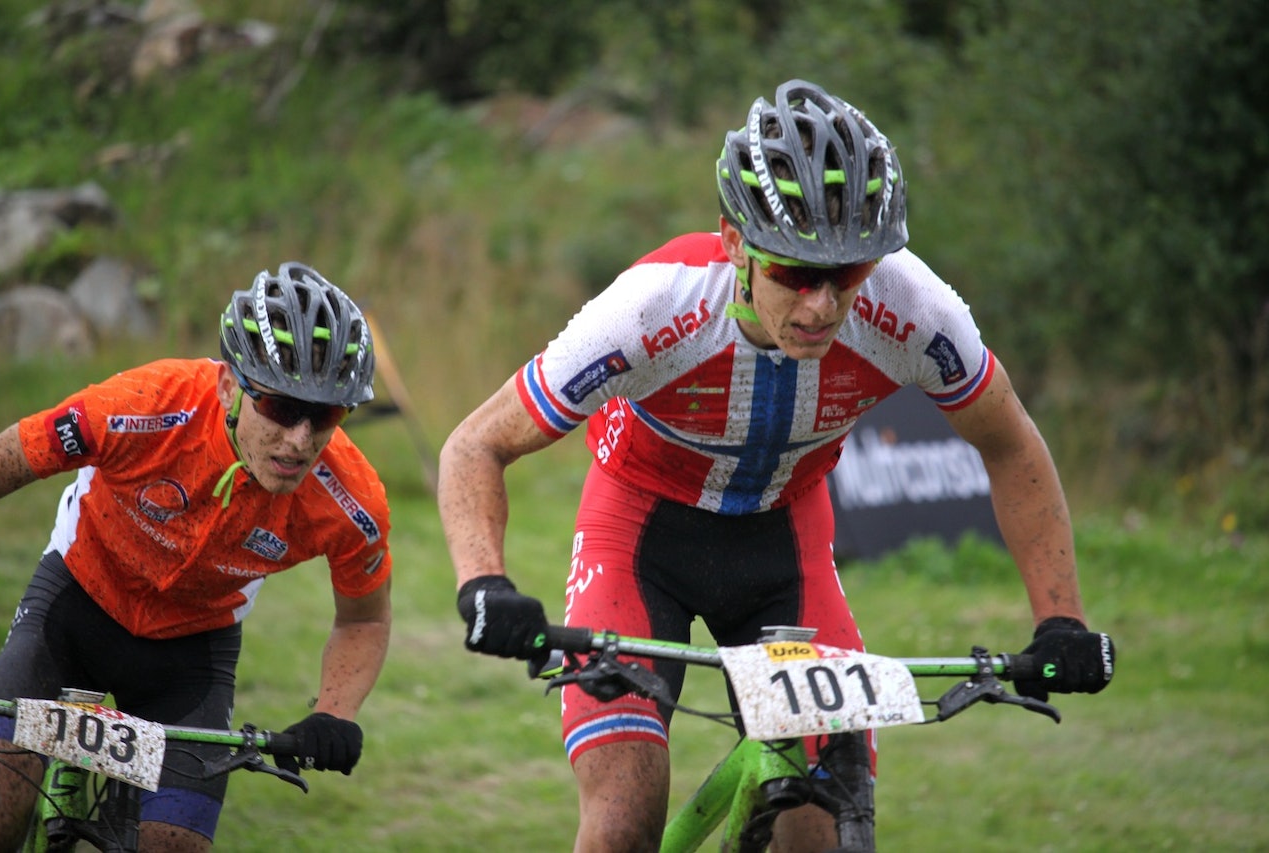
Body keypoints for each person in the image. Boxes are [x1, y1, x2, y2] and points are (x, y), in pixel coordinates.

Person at [438, 79, 1115, 852]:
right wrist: (484, 582)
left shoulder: (914, 310)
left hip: (783, 554)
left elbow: (1011, 443)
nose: (823, 304)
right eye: (794, 272)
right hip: (637, 538)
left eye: (849, 272)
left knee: (820, 826)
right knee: (625, 815)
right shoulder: (653, 310)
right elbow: (475, 444)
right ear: (734, 243)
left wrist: (1059, 618)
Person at [0, 262, 392, 852]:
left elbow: (366, 618)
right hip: (74, 604)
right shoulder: (143, 407)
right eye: (281, 408)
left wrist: (335, 712)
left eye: (326, 415)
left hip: (190, 655)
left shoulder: (351, 500)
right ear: (230, 385)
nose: (301, 439)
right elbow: (6, 460)